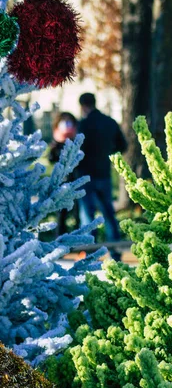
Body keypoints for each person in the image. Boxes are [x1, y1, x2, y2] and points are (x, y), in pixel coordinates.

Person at [78, 92, 128, 261]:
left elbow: (77, 149)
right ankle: (115, 252)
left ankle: (88, 253)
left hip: (85, 175)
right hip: (104, 173)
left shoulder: (82, 125)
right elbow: (123, 145)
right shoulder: (110, 122)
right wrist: (108, 152)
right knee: (108, 213)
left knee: (87, 215)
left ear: (83, 106)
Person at [48, 112, 79, 235]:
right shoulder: (56, 142)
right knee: (61, 214)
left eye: (69, 121)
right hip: (61, 182)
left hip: (75, 181)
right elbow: (51, 159)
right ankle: (59, 241)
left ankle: (78, 244)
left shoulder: (77, 141)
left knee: (77, 213)